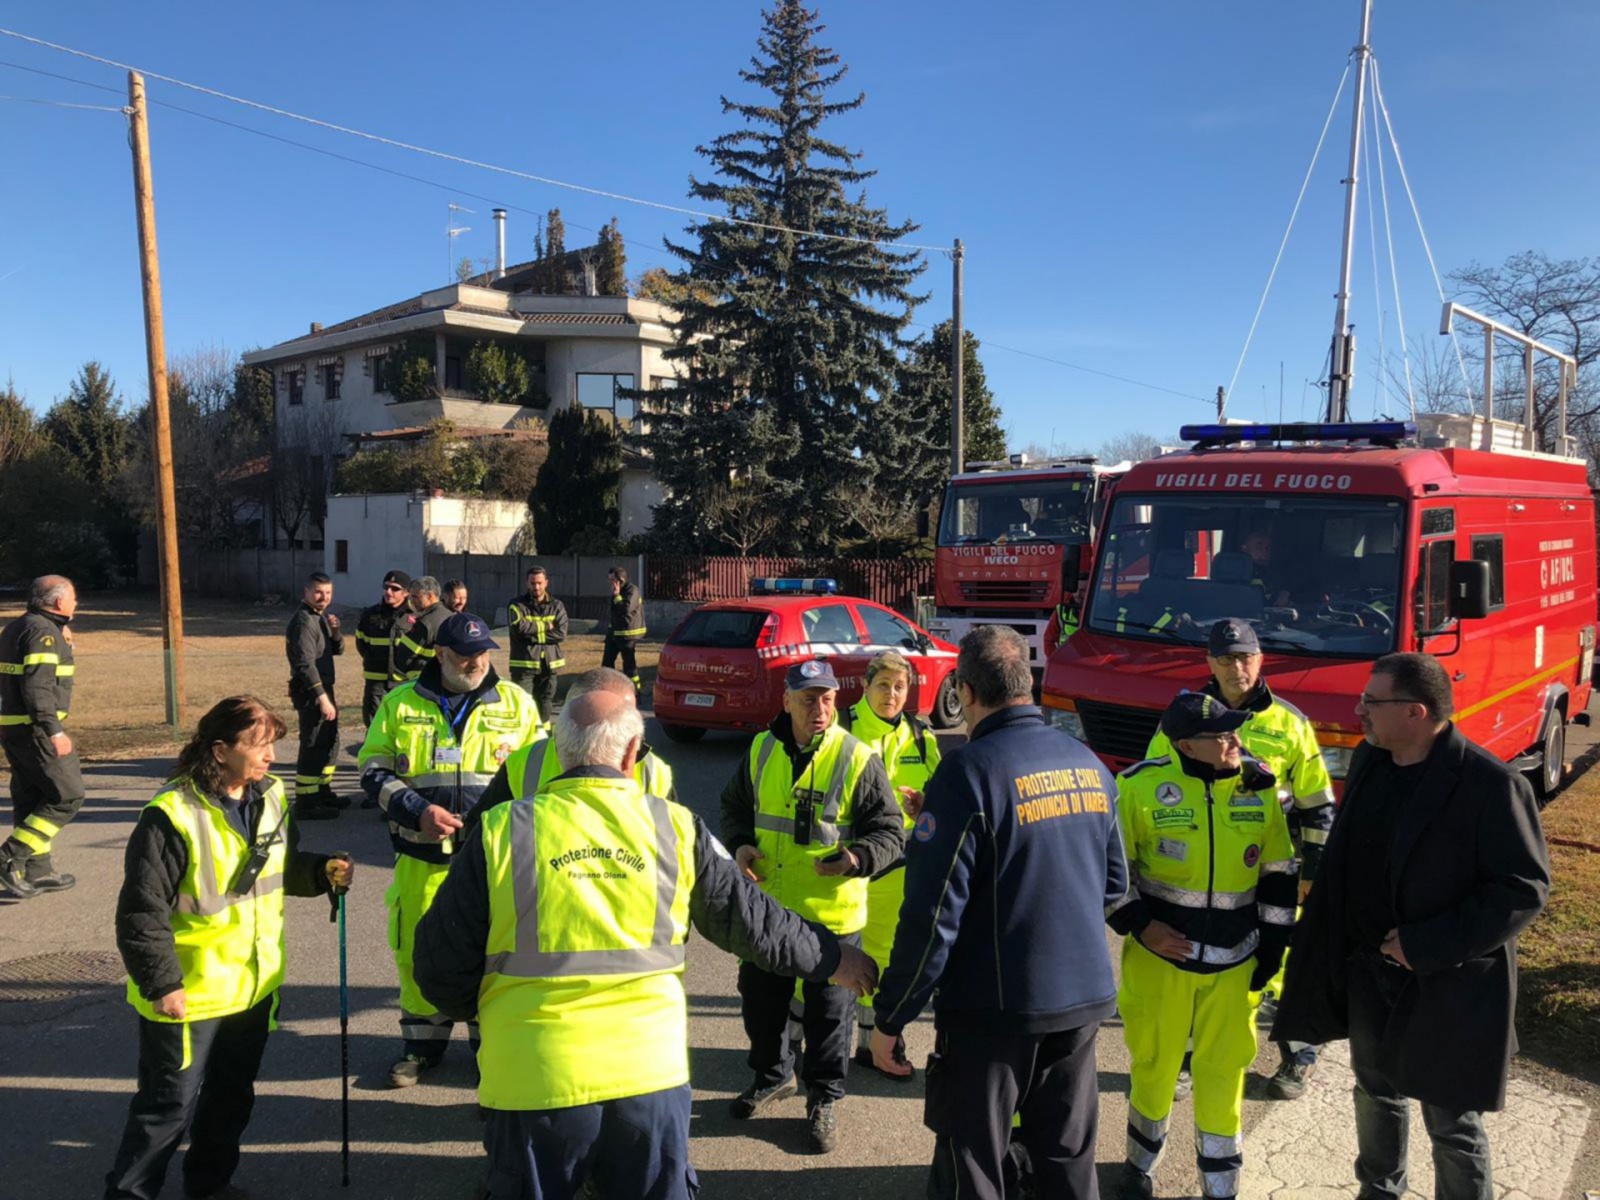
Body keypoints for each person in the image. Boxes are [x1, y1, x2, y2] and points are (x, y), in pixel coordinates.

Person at [413, 688, 879, 1200]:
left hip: (532, 1081)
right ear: (633, 752)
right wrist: (833, 958)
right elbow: (754, 922)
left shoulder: (500, 831)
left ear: (559, 750)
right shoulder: (674, 827)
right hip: (648, 1081)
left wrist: (492, 1014)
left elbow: (437, 968)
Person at [1272, 653, 1550, 1200]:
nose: (1359, 711)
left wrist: (1423, 945)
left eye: (1372, 702)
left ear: (1416, 712)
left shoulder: (1489, 786)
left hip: (1448, 982)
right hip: (1369, 974)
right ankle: (1378, 1191)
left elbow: (1522, 890)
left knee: (1452, 1124)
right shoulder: (1373, 761)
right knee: (1375, 1092)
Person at [870, 625, 1126, 1200]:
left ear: (962, 690)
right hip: (1082, 1004)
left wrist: (891, 1017)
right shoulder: (1089, 765)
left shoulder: (967, 773)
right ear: (1028, 684)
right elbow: (1113, 886)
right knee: (1066, 1161)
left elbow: (933, 919)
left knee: (975, 1169)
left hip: (993, 1014)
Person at [104, 695, 355, 1200]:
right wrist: (162, 984)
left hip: (254, 988)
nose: (270, 757)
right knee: (165, 1109)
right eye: (258, 746)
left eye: (273, 745)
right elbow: (140, 910)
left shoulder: (273, 795)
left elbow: (273, 871)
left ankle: (209, 1185)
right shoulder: (171, 814)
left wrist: (318, 871)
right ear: (219, 750)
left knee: (230, 1098)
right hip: (189, 994)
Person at [1108, 692, 1298, 1200]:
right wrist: (1142, 928)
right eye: (1223, 735)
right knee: (1155, 1065)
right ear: (1188, 746)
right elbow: (1111, 876)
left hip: (1236, 966)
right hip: (1160, 963)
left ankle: (1221, 1185)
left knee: (1225, 1072)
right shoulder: (1137, 788)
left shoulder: (1258, 788)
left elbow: (1278, 874)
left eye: (1236, 731)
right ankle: (1138, 1166)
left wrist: (1274, 950)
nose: (1237, 740)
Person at [1144, 619, 1335, 1100]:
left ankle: (1298, 1055)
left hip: (1272, 870)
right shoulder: (1185, 716)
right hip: (1203, 868)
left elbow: (1318, 806)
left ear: (1261, 658)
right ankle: (1189, 1059)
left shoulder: (1291, 723)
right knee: (1201, 961)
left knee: (1284, 961)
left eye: (1246, 656)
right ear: (1210, 662)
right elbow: (1151, 784)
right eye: (1226, 658)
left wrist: (1313, 872)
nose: (1238, 667)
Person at [719, 658, 904, 1153]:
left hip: (831, 916)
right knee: (761, 1004)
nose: (819, 707)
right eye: (808, 698)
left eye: (826, 698)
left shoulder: (857, 758)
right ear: (786, 701)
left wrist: (856, 857)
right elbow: (733, 806)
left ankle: (823, 1097)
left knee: (828, 1016)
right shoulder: (760, 749)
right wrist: (739, 844)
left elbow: (891, 832)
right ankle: (774, 1075)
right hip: (769, 912)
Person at [358, 611, 544, 1087]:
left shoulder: (517, 704)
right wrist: (415, 809)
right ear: (440, 654)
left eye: (483, 653)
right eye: (465, 655)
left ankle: (491, 1051)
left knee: (492, 953)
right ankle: (421, 1047)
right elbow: (372, 769)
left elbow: (541, 776)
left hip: (492, 864)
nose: (477, 662)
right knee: (417, 950)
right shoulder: (400, 704)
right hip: (421, 859)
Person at [833, 650, 940, 1078]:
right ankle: (801, 1040)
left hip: (898, 867)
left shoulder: (921, 736)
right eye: (883, 685)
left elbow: (941, 799)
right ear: (865, 685)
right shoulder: (842, 727)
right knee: (832, 954)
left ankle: (870, 1040)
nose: (891, 695)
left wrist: (926, 807)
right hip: (849, 861)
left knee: (883, 953)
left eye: (900, 687)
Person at [473, 668, 676, 823]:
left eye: (631, 716)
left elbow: (673, 844)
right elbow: (483, 831)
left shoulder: (653, 770)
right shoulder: (522, 764)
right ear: (571, 715)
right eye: (615, 717)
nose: (627, 726)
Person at [0, 574, 86, 899]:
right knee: (67, 796)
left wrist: (67, 645)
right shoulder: (43, 633)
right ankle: (9, 857)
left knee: (33, 797)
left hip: (14, 728)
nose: (76, 604)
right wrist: (54, 730)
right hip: (36, 730)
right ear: (59, 601)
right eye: (74, 598)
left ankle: (38, 870)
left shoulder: (20, 627)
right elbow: (37, 688)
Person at [284, 572, 343, 821]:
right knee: (313, 744)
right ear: (307, 592)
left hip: (324, 688)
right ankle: (307, 802)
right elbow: (305, 665)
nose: (324, 597)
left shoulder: (318, 619)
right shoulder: (303, 622)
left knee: (330, 741)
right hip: (311, 692)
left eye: (328, 593)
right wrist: (321, 697)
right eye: (319, 592)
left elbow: (337, 650)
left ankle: (321, 790)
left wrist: (336, 631)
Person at [506, 565, 569, 722]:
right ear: (527, 583)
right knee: (522, 704)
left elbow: (561, 633)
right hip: (524, 665)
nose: (536, 587)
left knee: (545, 703)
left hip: (549, 665)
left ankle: (543, 739)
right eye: (533, 583)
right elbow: (519, 630)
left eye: (540, 583)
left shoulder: (557, 606)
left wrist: (532, 631)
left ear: (546, 582)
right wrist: (547, 626)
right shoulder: (516, 605)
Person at [355, 570, 413, 727]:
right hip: (376, 684)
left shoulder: (415, 617)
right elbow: (362, 643)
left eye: (395, 589)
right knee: (375, 728)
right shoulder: (370, 615)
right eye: (386, 587)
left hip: (404, 683)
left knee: (403, 728)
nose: (389, 592)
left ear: (406, 593)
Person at [395, 575, 450, 681]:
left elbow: (403, 657)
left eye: (415, 597)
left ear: (429, 596)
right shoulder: (452, 617)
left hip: (423, 680)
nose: (412, 601)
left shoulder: (425, 623)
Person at [602, 566, 645, 690]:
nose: (611, 583)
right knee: (607, 664)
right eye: (609, 580)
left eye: (613, 580)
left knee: (629, 666)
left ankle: (635, 693)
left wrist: (616, 596)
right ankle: (609, 690)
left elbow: (625, 609)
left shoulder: (632, 590)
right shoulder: (617, 590)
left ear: (620, 580)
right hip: (614, 633)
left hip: (627, 635)